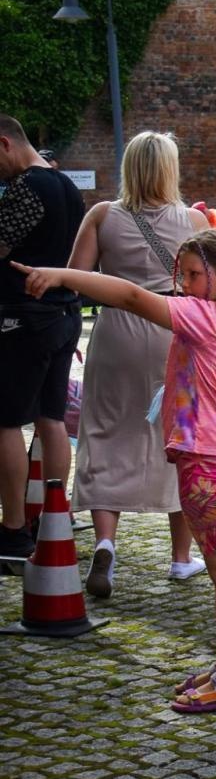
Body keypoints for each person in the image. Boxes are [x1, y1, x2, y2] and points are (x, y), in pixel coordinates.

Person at [15, 230, 216, 713]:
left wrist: (60, 276)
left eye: (196, 275)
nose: (186, 284)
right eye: (183, 275)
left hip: (210, 462)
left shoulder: (205, 316)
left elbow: (132, 296)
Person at [70, 131, 208, 598]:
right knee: (178, 437)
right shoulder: (193, 219)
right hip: (174, 330)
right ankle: (181, 558)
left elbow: (78, 280)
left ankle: (106, 541)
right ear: (170, 169)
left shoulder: (102, 216)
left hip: (117, 332)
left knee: (105, 432)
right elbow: (206, 287)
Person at [0, 114, 84, 560]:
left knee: (6, 421)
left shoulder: (28, 187)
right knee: (51, 418)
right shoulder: (67, 186)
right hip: (65, 312)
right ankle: (54, 517)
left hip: (23, 316)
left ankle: (12, 528)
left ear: (5, 144)